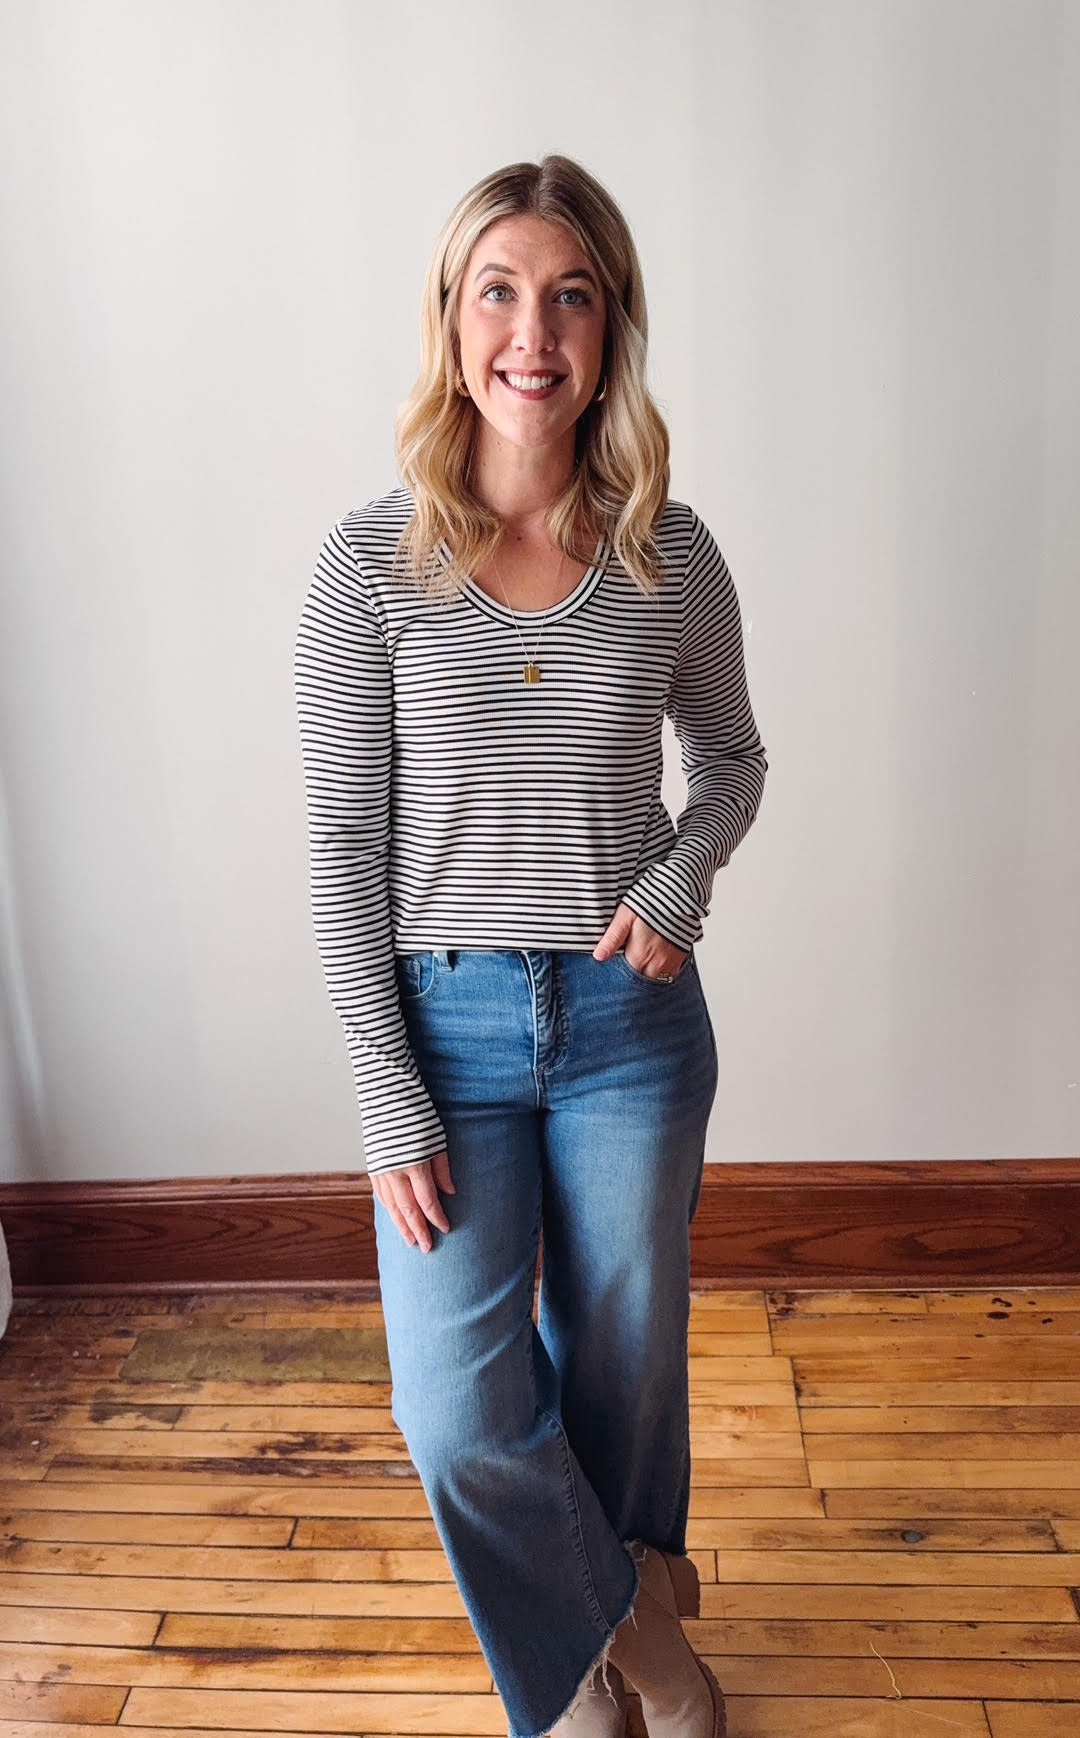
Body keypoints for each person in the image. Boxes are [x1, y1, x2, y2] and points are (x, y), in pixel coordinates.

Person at [295, 154, 767, 1738]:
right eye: (499, 288)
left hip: (633, 1028)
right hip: (445, 1038)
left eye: (572, 293)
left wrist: (683, 882)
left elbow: (737, 764)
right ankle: (630, 1638)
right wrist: (387, 1097)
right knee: (458, 1407)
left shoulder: (669, 554)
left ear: (612, 327)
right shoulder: (367, 570)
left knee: (624, 1374)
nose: (533, 330)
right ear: (449, 317)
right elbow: (340, 848)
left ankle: (582, 1670)